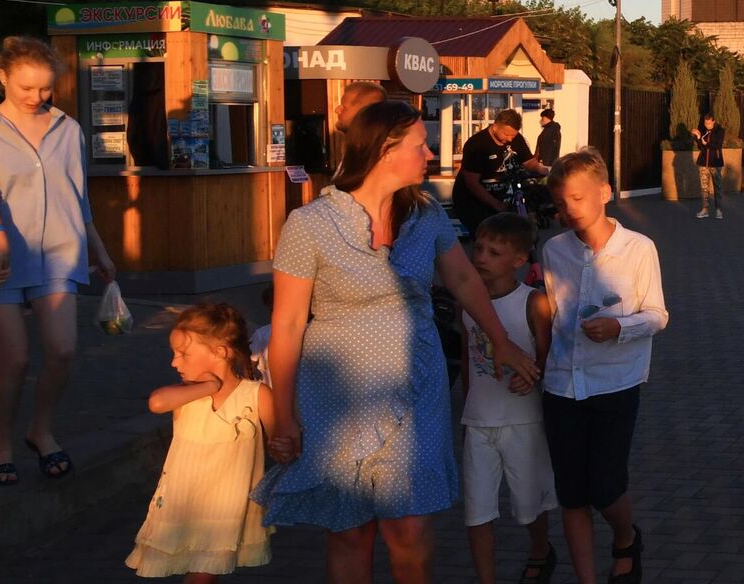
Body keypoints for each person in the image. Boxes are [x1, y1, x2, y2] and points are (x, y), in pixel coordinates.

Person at [255, 101, 541, 584]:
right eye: (418, 145)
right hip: (337, 396)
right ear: (386, 151)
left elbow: (465, 281)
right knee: (350, 530)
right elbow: (286, 326)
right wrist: (284, 414)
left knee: (408, 530)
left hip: (417, 388)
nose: (429, 153)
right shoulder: (310, 225)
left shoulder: (424, 213)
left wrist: (503, 341)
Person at [0, 36, 116, 487]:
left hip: (61, 250)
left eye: (45, 89)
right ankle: (0, 445)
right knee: (14, 359)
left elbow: (78, 197)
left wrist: (98, 248)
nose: (37, 98)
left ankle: (41, 430)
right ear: (2, 77)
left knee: (61, 350)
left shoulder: (68, 128)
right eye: (26, 88)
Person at [531, 149, 666, 584]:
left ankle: (626, 537)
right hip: (561, 386)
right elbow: (552, 312)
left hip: (615, 383)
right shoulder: (554, 250)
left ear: (605, 193)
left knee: (606, 487)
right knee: (571, 495)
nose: (568, 210)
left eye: (578, 198)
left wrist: (620, 327)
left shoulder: (638, 248)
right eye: (561, 201)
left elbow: (658, 314)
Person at [127, 302, 273, 580]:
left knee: (203, 576)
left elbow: (280, 437)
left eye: (183, 354)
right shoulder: (188, 392)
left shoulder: (256, 394)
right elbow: (157, 402)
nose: (174, 362)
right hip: (185, 505)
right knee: (199, 575)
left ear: (220, 352)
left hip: (226, 508)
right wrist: (208, 386)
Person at [460, 214, 556, 584]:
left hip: (524, 420)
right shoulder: (465, 303)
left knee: (530, 502)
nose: (481, 257)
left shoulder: (533, 302)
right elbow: (469, 361)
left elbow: (549, 356)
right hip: (479, 421)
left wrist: (535, 376)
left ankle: (540, 551)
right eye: (478, 248)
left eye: (494, 252)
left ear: (518, 260)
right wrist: (465, 417)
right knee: (477, 510)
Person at [452, 110, 546, 234]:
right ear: (495, 126)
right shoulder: (477, 144)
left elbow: (528, 161)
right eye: (506, 134)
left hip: (501, 197)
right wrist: (497, 205)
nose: (510, 139)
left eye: (513, 135)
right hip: (473, 201)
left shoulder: (516, 139)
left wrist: (544, 170)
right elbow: (472, 183)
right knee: (487, 238)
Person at [694, 114, 726, 220]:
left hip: (715, 163)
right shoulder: (703, 130)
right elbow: (700, 146)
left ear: (713, 121)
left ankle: (718, 210)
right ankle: (705, 209)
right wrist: (698, 137)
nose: (706, 125)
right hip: (703, 162)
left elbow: (717, 145)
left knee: (718, 187)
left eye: (708, 123)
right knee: (704, 187)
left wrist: (706, 143)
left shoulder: (720, 131)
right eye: (705, 123)